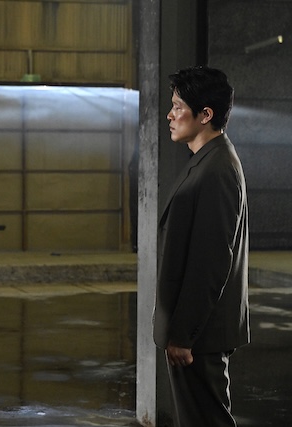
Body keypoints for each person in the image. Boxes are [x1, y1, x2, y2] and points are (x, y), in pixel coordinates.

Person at [153, 66, 249, 427]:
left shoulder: (217, 169)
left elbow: (210, 262)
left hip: (199, 337)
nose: (170, 115)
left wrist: (183, 335)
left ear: (205, 114)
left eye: (178, 107)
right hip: (196, 333)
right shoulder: (206, 160)